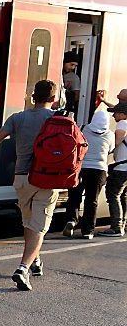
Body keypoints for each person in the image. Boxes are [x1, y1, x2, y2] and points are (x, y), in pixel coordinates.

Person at [0, 80, 59, 291]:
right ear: (53, 99)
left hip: (21, 178)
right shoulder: (58, 119)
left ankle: (35, 260)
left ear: (33, 96)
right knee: (39, 227)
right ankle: (23, 268)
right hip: (46, 178)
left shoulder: (17, 118)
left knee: (28, 222)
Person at [62, 108, 113, 240]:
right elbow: (111, 150)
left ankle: (72, 220)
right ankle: (88, 231)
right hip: (99, 170)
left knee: (74, 195)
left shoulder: (83, 128)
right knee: (92, 200)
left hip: (81, 168)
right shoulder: (110, 134)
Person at [98, 102, 127, 237]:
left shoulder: (122, 124)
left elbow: (115, 142)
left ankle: (116, 227)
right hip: (125, 167)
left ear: (122, 114)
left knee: (113, 195)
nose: (113, 115)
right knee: (122, 196)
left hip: (121, 167)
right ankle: (122, 224)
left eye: (115, 113)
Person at [61, 51, 80, 115]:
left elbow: (76, 96)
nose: (73, 68)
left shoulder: (74, 77)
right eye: (71, 64)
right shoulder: (57, 72)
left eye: (75, 66)